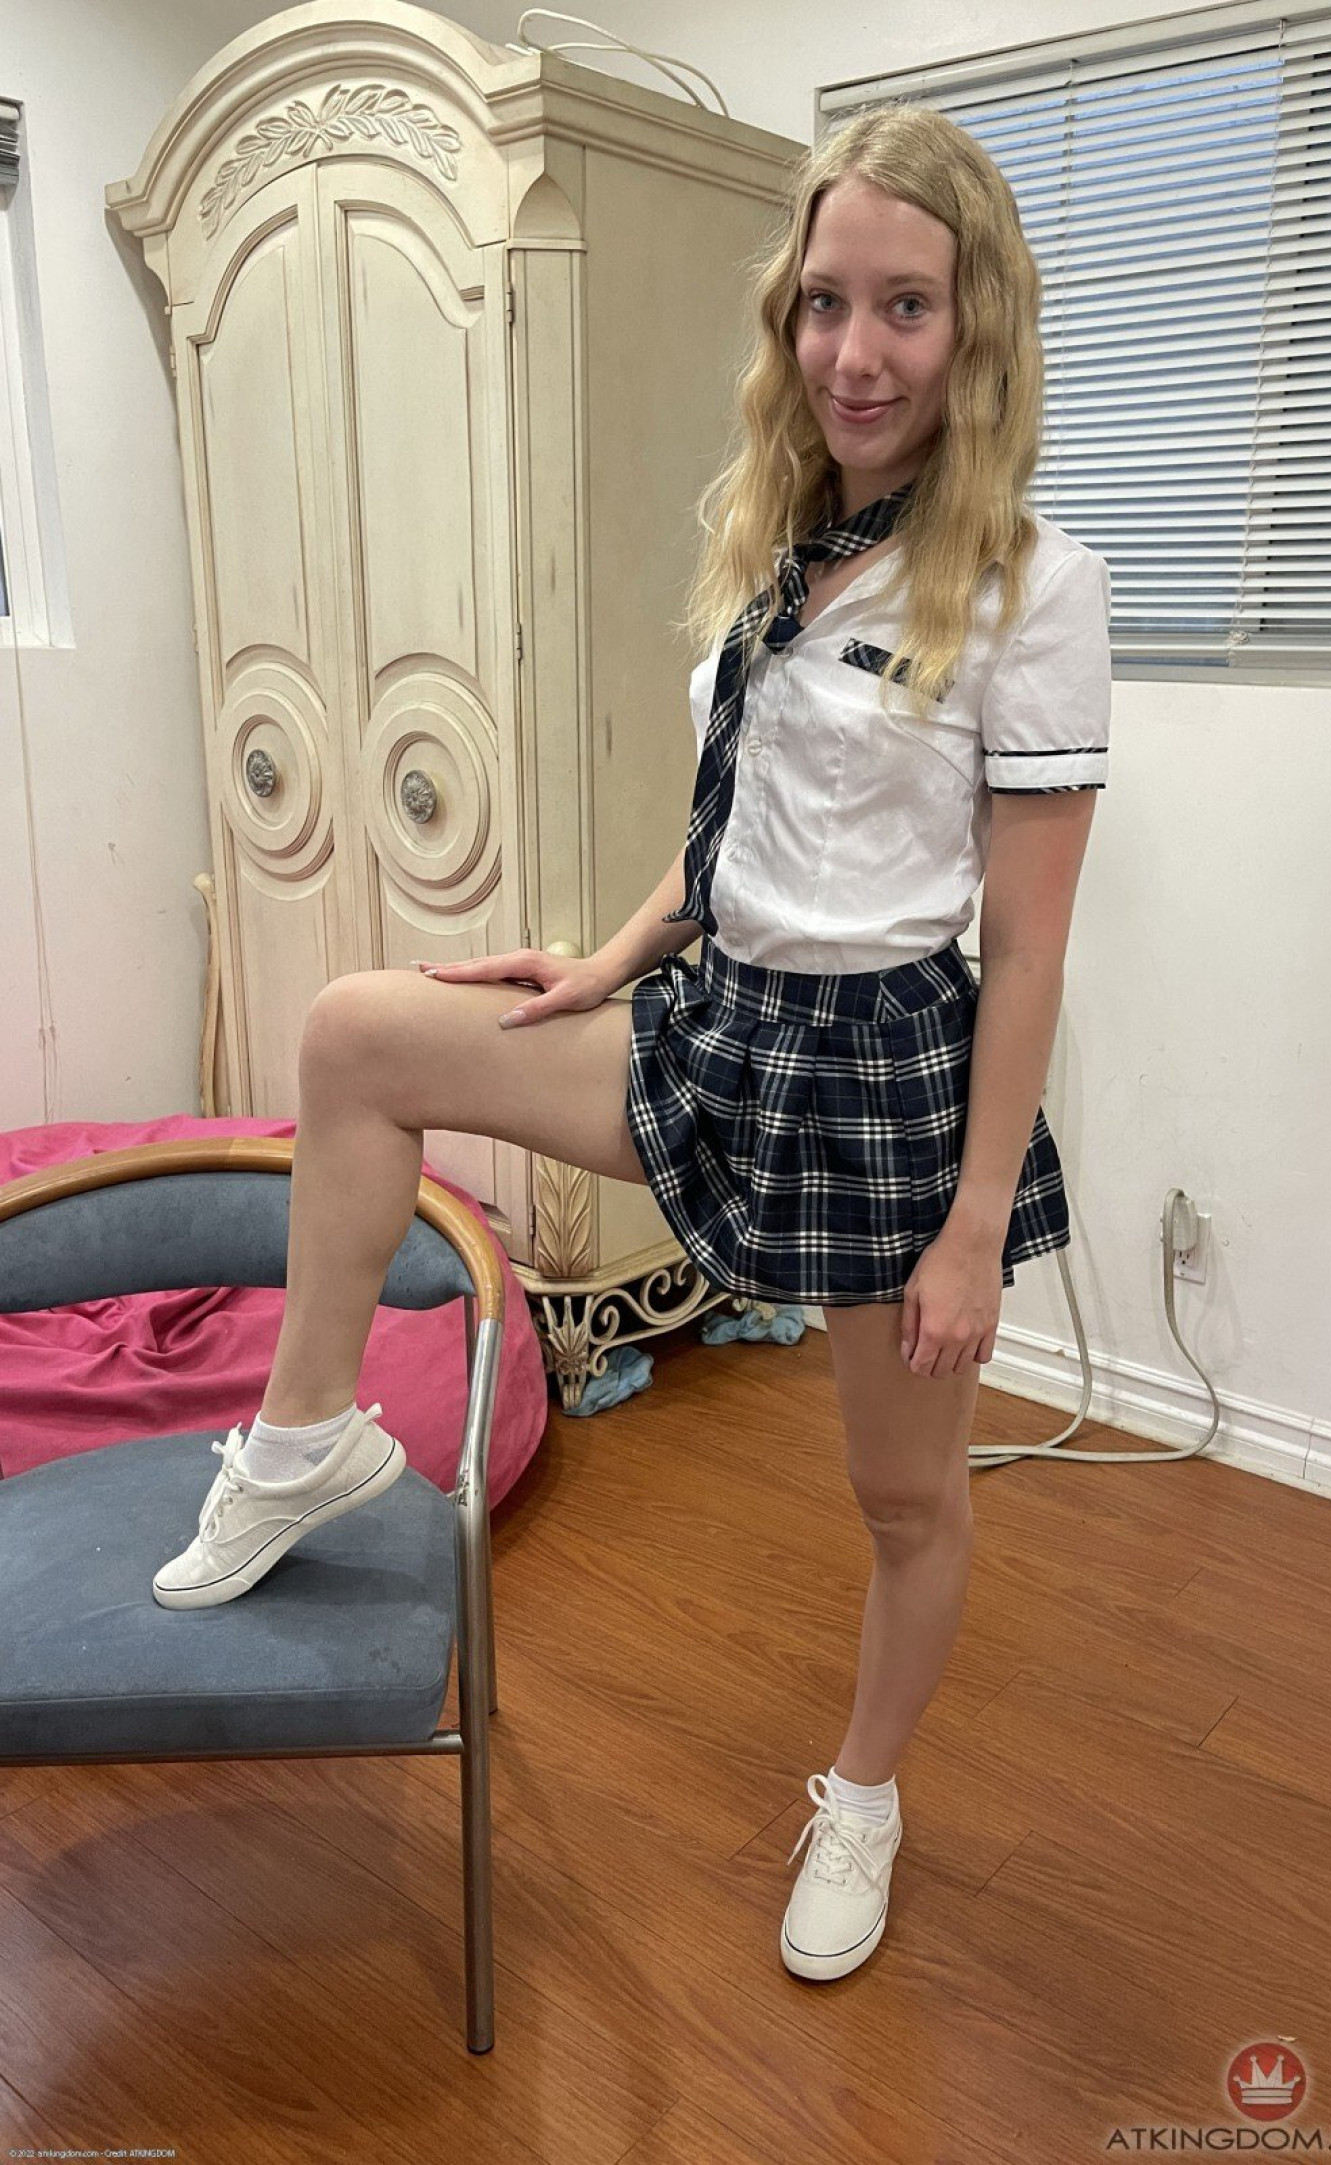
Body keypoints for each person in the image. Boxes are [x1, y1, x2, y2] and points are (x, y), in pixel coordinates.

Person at [151, 103, 1112, 1988]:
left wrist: (972, 1228)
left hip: (884, 1082)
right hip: (715, 1020)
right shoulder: (785, 539)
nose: (854, 350)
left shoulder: (1032, 584)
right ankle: (307, 1437)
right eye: (825, 302)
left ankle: (865, 1795)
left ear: (976, 327)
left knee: (903, 1494)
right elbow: (741, 823)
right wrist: (604, 959)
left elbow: (1029, 943)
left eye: (905, 307)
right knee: (358, 1034)